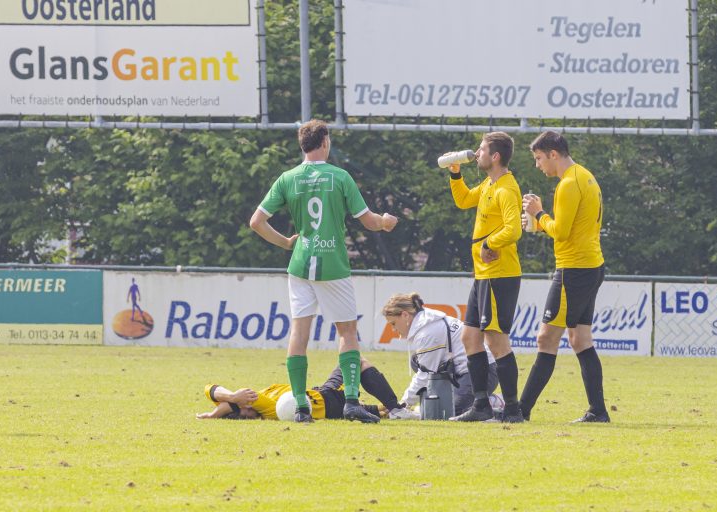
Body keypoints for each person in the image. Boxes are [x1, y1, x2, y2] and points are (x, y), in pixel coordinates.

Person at [249, 119, 398, 424]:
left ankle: (301, 406)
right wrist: (385, 221)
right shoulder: (340, 176)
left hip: (300, 263)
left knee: (299, 332)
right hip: (332, 264)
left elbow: (256, 222)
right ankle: (353, 401)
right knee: (346, 332)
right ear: (325, 142)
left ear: (302, 145)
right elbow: (368, 221)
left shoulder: (287, 178)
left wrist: (286, 243)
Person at [520, 130, 609, 423]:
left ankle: (520, 411)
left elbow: (562, 231)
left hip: (574, 269)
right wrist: (540, 225)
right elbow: (573, 226)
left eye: (539, 159)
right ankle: (598, 411)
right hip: (592, 265)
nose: (538, 165)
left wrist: (538, 213)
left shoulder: (568, 184)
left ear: (553, 154)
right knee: (580, 339)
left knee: (546, 338)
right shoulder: (587, 176)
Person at [444, 132, 525, 423]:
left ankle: (514, 410)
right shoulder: (490, 184)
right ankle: (481, 406)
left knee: (496, 340)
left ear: (496, 157)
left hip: (499, 275)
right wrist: (455, 173)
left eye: (482, 149)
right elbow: (464, 200)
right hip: (484, 274)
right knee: (469, 337)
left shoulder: (505, 189)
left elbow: (514, 230)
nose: (476, 154)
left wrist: (490, 244)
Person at [381, 292, 503, 416]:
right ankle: (472, 398)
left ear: (405, 315)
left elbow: (425, 375)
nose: (393, 329)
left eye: (393, 323)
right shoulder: (426, 320)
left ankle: (493, 401)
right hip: (469, 370)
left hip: (483, 372)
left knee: (447, 412)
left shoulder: (427, 333)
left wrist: (402, 405)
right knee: (416, 361)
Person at [196, 359, 418, 421]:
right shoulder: (267, 408)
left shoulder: (251, 402)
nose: (246, 403)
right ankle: (397, 407)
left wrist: (223, 405)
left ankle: (399, 410)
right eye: (244, 407)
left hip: (325, 401)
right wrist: (228, 402)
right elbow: (214, 392)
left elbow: (210, 389)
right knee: (356, 362)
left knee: (378, 412)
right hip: (329, 398)